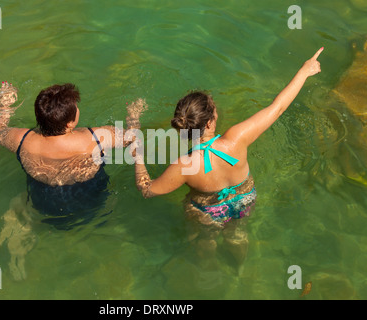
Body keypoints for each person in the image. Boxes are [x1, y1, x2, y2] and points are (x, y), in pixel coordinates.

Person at [133, 48, 324, 263]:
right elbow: (278, 108)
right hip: (245, 199)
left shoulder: (184, 166)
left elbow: (148, 190)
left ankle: (208, 272)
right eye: (215, 111)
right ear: (210, 123)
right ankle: (238, 271)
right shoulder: (237, 138)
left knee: (205, 240)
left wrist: (137, 153)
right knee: (237, 234)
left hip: (208, 212)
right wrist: (304, 71)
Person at [0, 82, 145, 230]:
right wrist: (134, 115)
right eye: (75, 107)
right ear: (69, 124)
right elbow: (133, 137)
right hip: (93, 203)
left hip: (45, 207)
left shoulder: (22, 139)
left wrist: (5, 107)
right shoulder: (95, 138)